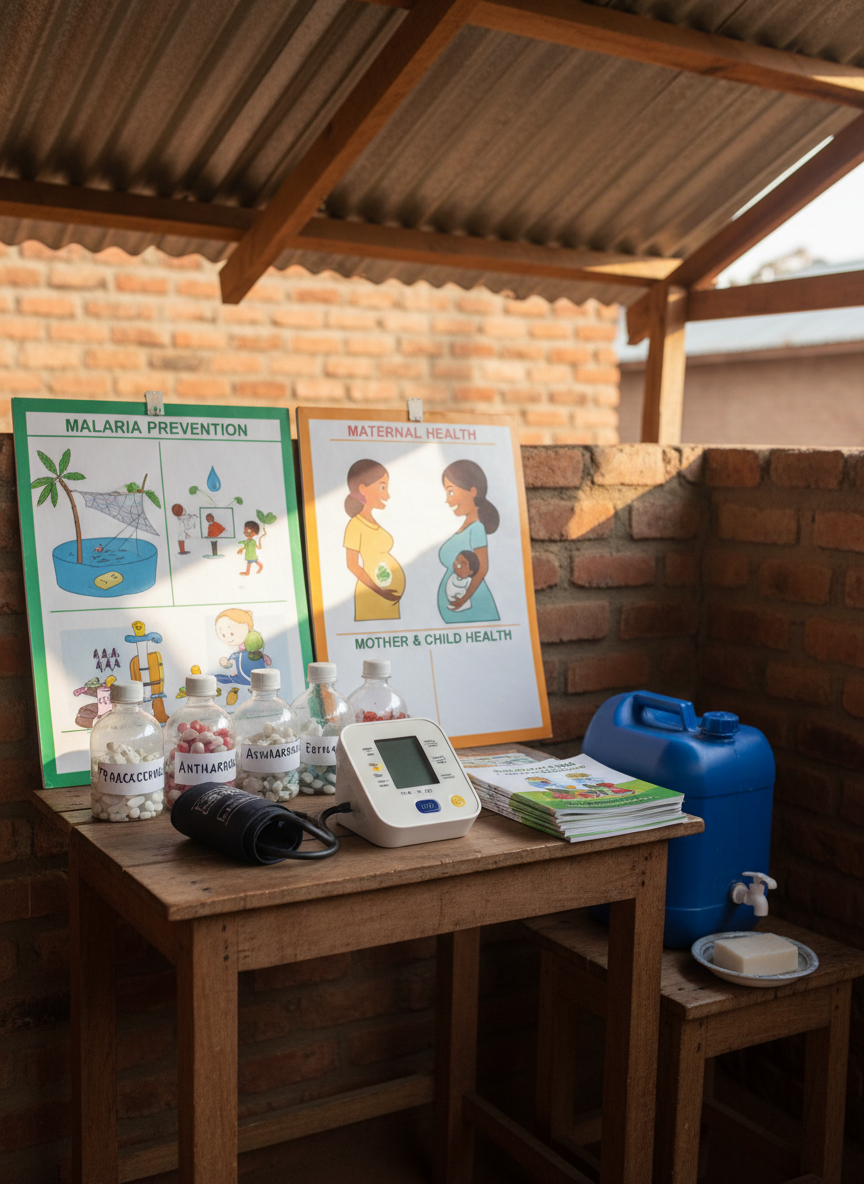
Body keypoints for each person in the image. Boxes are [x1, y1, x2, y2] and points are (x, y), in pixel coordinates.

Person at [437, 460, 499, 624]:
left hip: (472, 609)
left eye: (450, 492)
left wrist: (463, 599)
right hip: (461, 611)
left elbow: (482, 567)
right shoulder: (467, 527)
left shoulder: (476, 528)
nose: (447, 500)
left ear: (472, 491)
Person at [343, 459, 405, 621]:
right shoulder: (355, 525)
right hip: (373, 596)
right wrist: (381, 591)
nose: (387, 495)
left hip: (387, 598)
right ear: (363, 489)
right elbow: (352, 565)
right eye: (382, 487)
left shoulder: (373, 522)